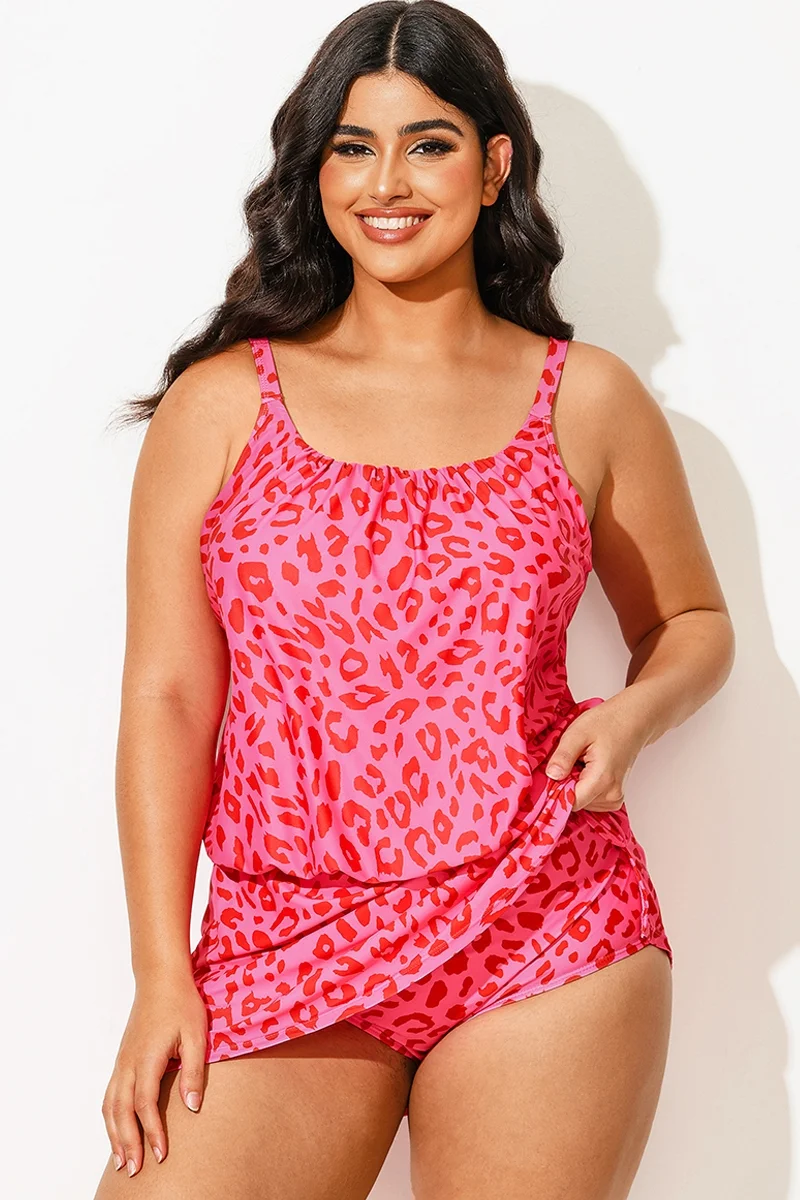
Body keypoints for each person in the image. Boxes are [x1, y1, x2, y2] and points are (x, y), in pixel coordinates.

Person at [94, 2, 735, 1196]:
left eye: (427, 144)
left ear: (493, 168)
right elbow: (169, 696)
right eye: (352, 146)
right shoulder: (220, 404)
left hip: (543, 920)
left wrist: (631, 717)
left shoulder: (585, 400)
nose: (385, 182)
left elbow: (689, 624)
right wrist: (160, 973)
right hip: (280, 936)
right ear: (315, 170)